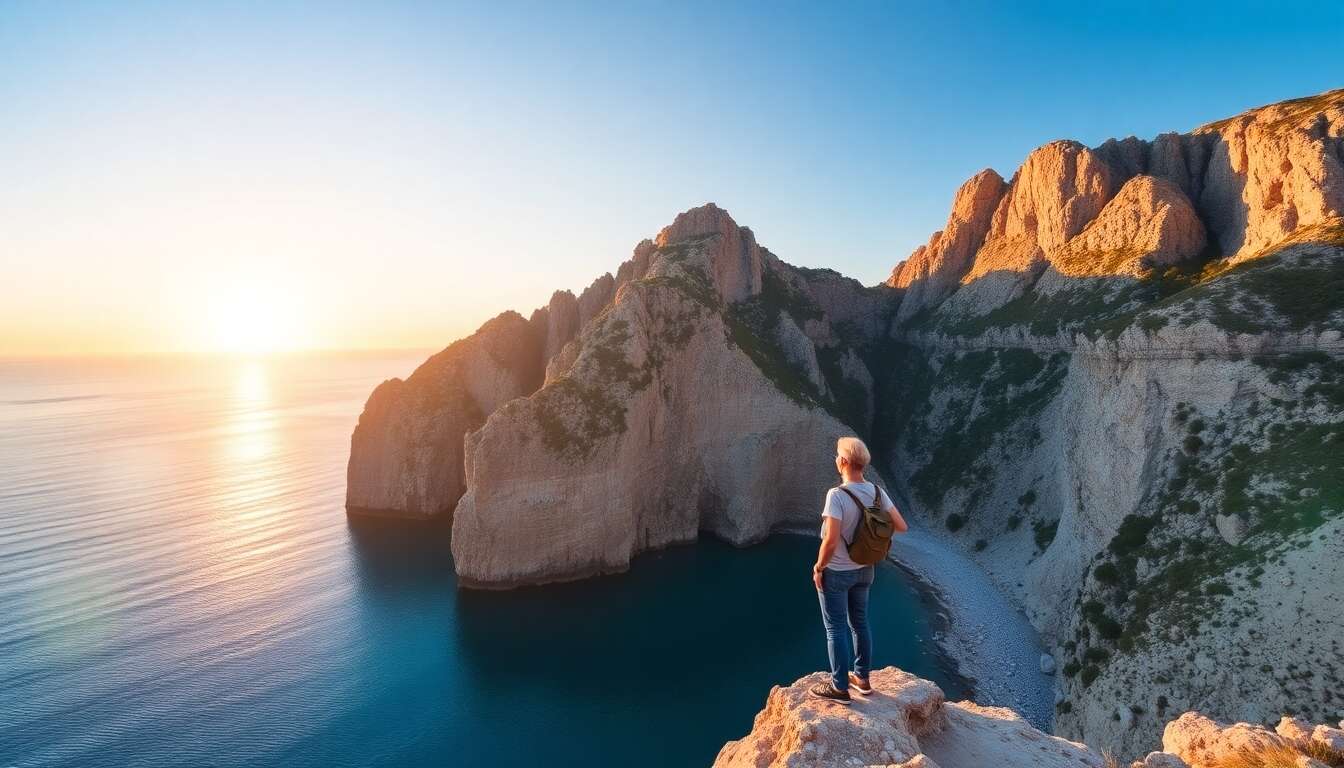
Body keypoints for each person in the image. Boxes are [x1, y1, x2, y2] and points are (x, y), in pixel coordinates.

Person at [809, 436, 909, 704]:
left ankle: (839, 686)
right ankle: (862, 679)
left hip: (837, 572)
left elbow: (830, 540)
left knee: (835, 629)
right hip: (866, 570)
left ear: (842, 461)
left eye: (837, 455)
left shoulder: (837, 495)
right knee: (860, 624)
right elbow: (901, 526)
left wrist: (819, 567)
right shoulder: (877, 491)